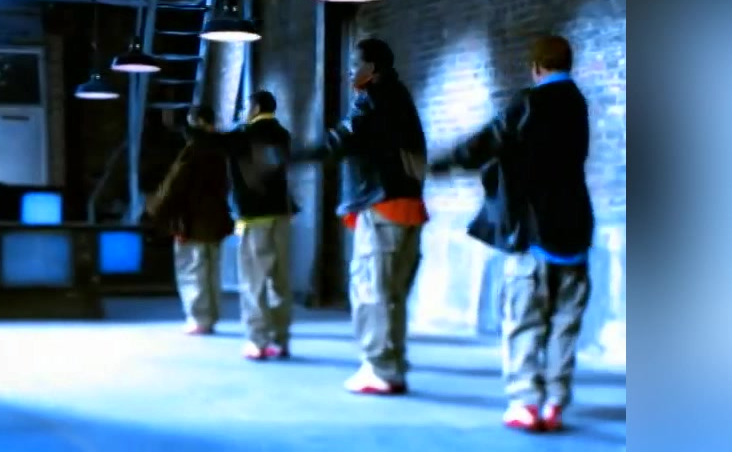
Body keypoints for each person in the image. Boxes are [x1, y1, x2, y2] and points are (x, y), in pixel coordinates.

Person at [429, 35, 595, 432]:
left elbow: (485, 143)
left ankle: (525, 403)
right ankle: (555, 402)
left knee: (524, 320)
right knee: (564, 323)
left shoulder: (530, 103)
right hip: (575, 231)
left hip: (533, 234)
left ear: (536, 68)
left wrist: (439, 163)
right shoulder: (578, 104)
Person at [290, 38, 428, 395]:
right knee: (391, 294)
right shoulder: (401, 97)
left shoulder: (373, 100)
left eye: (356, 64)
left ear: (373, 68)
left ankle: (379, 369)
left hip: (381, 208)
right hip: (407, 208)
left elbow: (340, 140)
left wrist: (295, 155)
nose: (350, 71)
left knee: (372, 292)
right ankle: (392, 365)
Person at [187, 90, 299, 360]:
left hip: (254, 217)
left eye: (245, 106)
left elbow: (208, 142)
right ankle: (280, 339)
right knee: (280, 281)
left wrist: (192, 124)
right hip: (282, 214)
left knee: (253, 282)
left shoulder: (244, 134)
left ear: (256, 107)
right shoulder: (283, 134)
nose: (242, 111)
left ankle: (258, 341)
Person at [145, 105, 234, 335]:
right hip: (217, 220)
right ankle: (211, 316)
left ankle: (199, 318)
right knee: (211, 270)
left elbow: (174, 186)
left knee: (192, 269)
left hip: (191, 221)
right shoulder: (222, 150)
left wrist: (155, 209)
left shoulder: (193, 150)